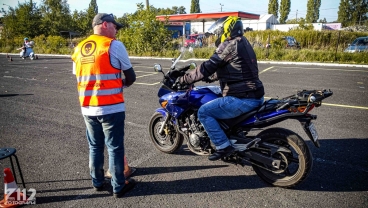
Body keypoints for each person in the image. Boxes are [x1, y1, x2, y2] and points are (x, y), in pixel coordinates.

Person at [176, 16, 265, 161]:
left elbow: (209, 65)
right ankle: (227, 133)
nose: (218, 36)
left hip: (243, 97)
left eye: (219, 32)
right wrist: (209, 77)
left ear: (227, 30)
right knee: (212, 91)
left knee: (204, 112)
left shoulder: (230, 44)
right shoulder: (243, 43)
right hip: (253, 94)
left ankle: (223, 146)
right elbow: (231, 68)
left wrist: (184, 79)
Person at [71, 13, 137, 198]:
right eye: (115, 26)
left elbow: (80, 76)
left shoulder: (79, 48)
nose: (116, 30)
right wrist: (121, 84)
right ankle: (118, 186)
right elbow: (131, 77)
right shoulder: (113, 45)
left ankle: (97, 182)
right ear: (105, 24)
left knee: (95, 146)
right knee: (115, 147)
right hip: (111, 107)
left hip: (87, 107)